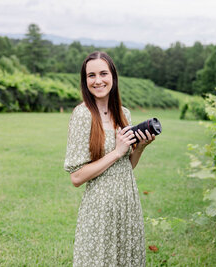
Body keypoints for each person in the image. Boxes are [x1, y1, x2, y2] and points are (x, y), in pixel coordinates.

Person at [64, 51, 155, 266]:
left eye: (103, 73)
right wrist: (116, 152)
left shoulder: (124, 114)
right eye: (91, 75)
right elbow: (76, 177)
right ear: (85, 81)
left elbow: (125, 167)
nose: (98, 81)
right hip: (100, 208)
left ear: (113, 77)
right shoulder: (83, 114)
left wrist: (139, 148)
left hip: (127, 203)